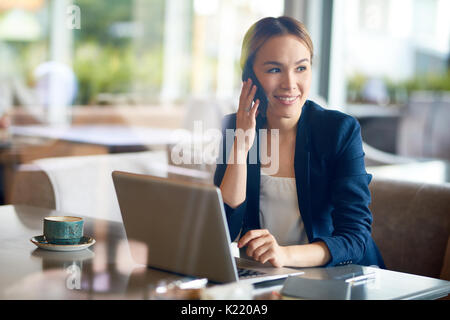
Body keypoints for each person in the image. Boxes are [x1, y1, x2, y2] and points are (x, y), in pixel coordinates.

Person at [214, 16, 385, 269]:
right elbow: (223, 231)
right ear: (249, 77)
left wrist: (285, 255)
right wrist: (241, 147)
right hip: (272, 278)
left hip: (339, 279)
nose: (290, 84)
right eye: (274, 69)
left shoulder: (339, 131)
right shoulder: (235, 126)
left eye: (301, 68)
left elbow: (355, 238)